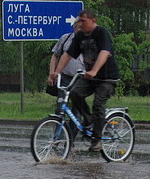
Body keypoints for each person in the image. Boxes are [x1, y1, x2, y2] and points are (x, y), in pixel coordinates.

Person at [50, 10, 120, 152]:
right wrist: (56, 72)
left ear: (93, 20)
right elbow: (67, 54)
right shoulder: (80, 36)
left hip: (107, 78)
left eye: (84, 21)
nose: (80, 24)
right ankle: (88, 120)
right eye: (79, 21)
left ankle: (97, 139)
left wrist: (94, 70)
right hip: (90, 77)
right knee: (75, 93)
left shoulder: (101, 33)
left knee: (98, 104)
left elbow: (104, 53)